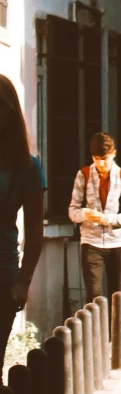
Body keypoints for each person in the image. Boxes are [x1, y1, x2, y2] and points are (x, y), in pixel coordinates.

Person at [69, 131, 121, 305]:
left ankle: (117, 332)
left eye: (105, 158)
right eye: (97, 158)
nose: (101, 163)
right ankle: (95, 333)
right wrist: (85, 214)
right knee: (94, 294)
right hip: (91, 242)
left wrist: (106, 219)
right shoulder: (83, 175)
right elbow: (72, 211)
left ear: (113, 154)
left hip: (119, 243)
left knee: (118, 294)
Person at [0, 77, 45, 332]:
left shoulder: (27, 168)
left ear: (10, 112)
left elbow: (35, 230)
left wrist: (23, 282)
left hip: (2, 274)